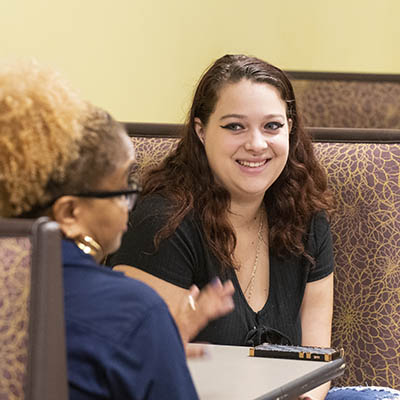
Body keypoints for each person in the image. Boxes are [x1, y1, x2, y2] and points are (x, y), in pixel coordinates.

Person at [109, 54, 400, 399]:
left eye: (272, 126)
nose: (256, 144)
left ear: (290, 127)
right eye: (235, 126)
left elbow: (315, 364)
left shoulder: (306, 215)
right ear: (201, 131)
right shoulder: (163, 222)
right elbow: (148, 373)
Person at [0, 59, 234, 399]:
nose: (131, 202)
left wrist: (156, 346)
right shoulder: (131, 311)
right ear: (69, 212)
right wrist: (151, 340)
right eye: (123, 188)